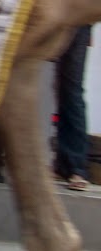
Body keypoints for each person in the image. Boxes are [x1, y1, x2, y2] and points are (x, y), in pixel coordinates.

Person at [54, 25, 92, 191]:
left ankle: (76, 168)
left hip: (75, 22)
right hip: (45, 17)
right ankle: (65, 166)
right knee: (66, 90)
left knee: (71, 91)